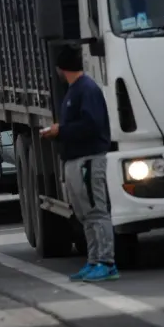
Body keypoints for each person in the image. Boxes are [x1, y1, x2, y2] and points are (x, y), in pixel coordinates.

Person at [40, 45, 118, 282]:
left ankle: (106, 262)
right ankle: (93, 260)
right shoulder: (74, 91)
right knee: (84, 213)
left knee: (96, 210)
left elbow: (91, 125)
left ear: (61, 68)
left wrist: (60, 130)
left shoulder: (86, 90)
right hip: (76, 159)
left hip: (89, 159)